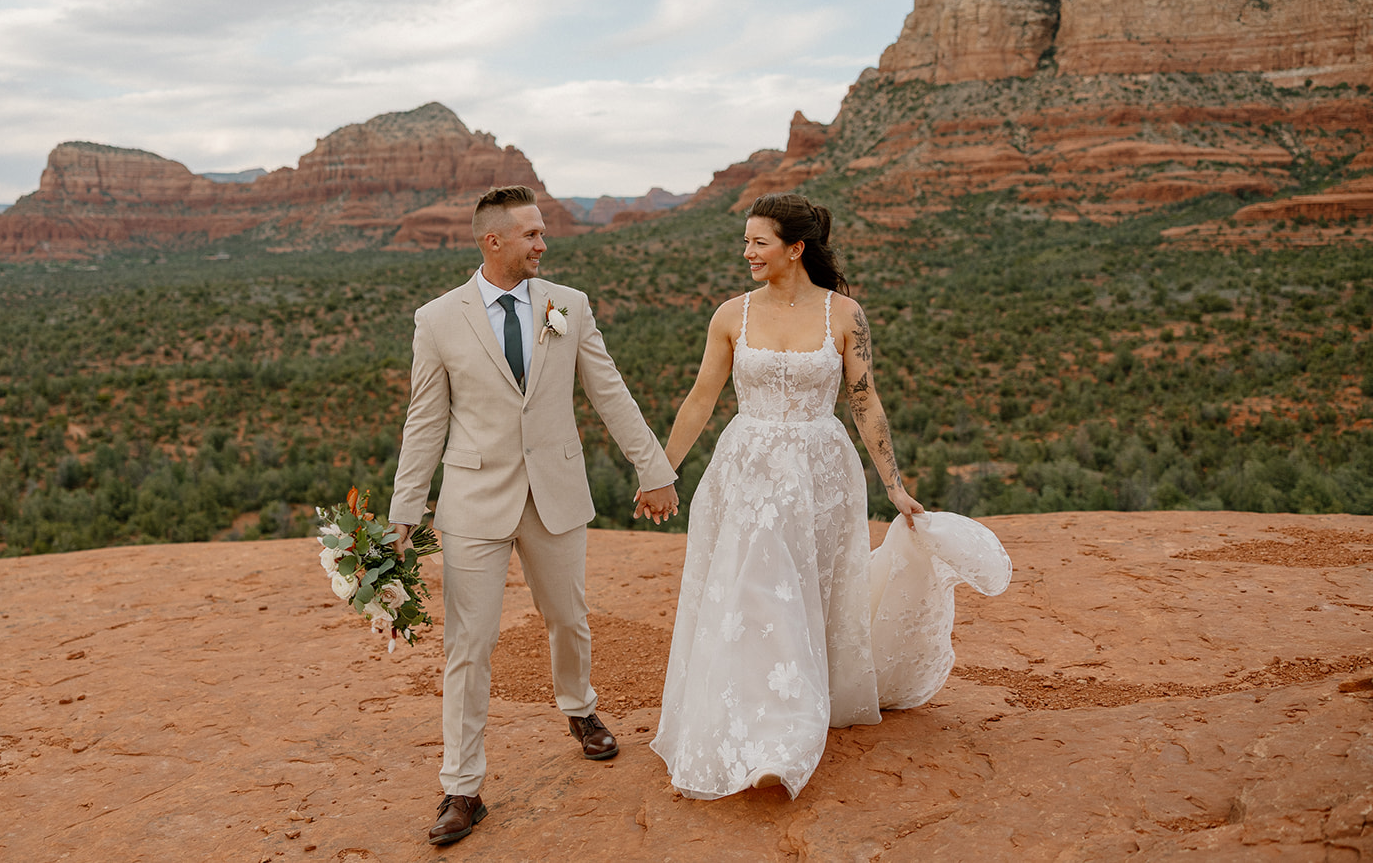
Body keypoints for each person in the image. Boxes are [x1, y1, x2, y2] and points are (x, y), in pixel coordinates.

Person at [649, 192, 1010, 800]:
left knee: (806, 588)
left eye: (758, 242)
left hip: (821, 472)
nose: (747, 253)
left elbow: (865, 401)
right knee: (755, 588)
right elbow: (701, 397)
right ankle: (770, 739)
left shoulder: (845, 315)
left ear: (795, 248)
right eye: (745, 241)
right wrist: (662, 470)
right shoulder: (729, 315)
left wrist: (894, 486)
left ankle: (793, 711)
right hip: (748, 470)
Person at [388, 184, 681, 846]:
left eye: (543, 232)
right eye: (532, 234)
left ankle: (579, 709)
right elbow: (424, 421)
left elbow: (608, 389)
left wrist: (653, 465)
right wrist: (404, 510)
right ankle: (462, 786)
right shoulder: (437, 320)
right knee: (469, 643)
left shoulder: (566, 306)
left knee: (568, 618)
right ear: (493, 241)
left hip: (554, 492)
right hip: (473, 503)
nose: (543, 243)